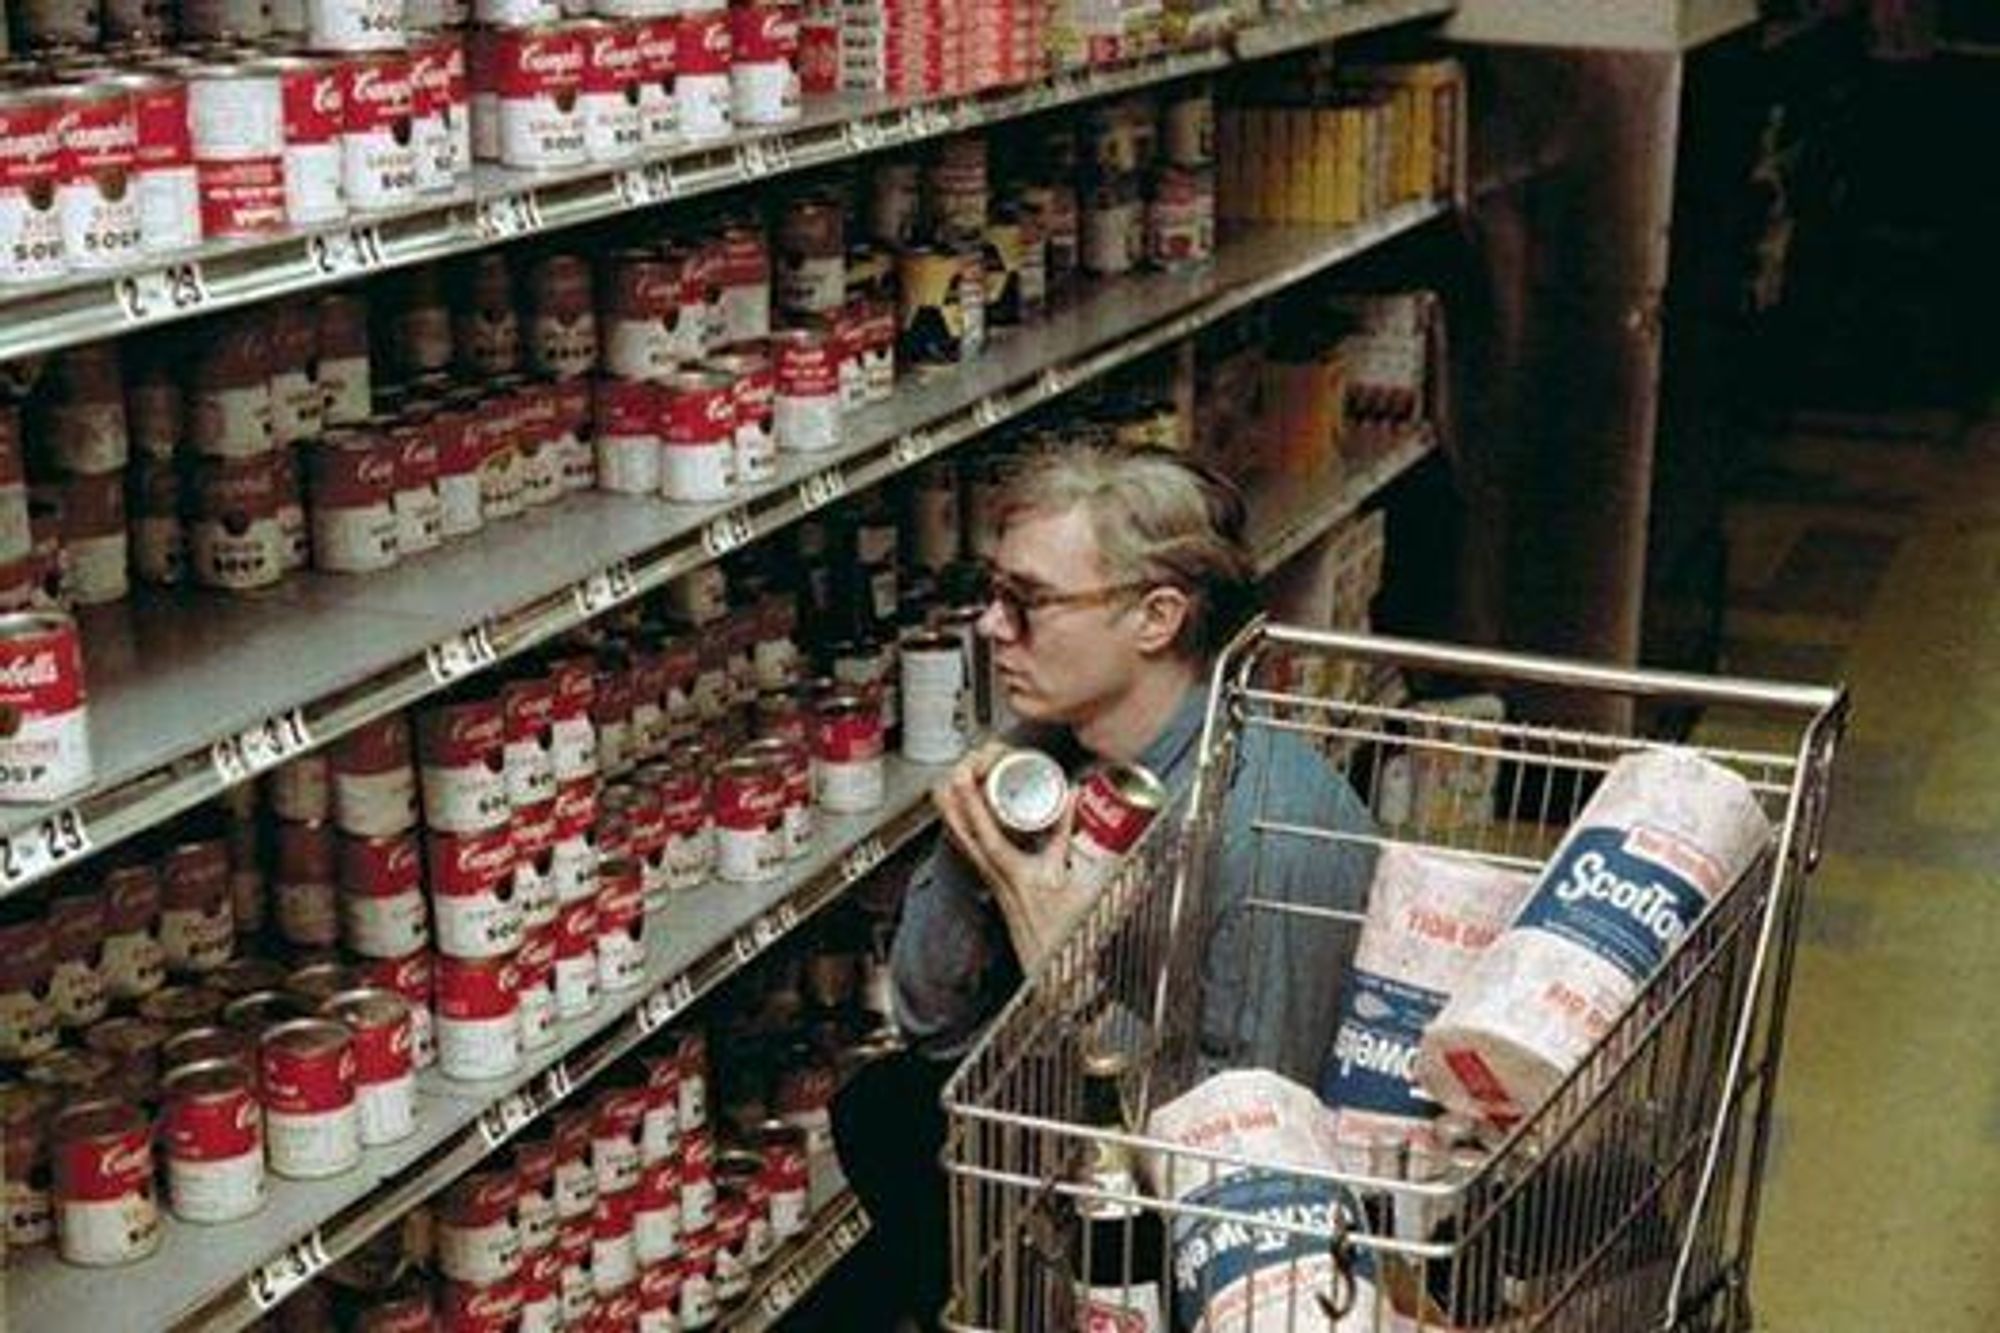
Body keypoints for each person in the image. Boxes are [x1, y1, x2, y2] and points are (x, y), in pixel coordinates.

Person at [828, 443, 1378, 1331]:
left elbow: (1245, 1173)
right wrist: (983, 859)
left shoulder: (1269, 834)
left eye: (1029, 602)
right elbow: (931, 1030)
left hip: (1196, 1244)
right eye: (993, 590)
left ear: (1156, 617)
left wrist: (1066, 966)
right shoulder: (1053, 753)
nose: (990, 627)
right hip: (1053, 1171)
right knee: (881, 1110)